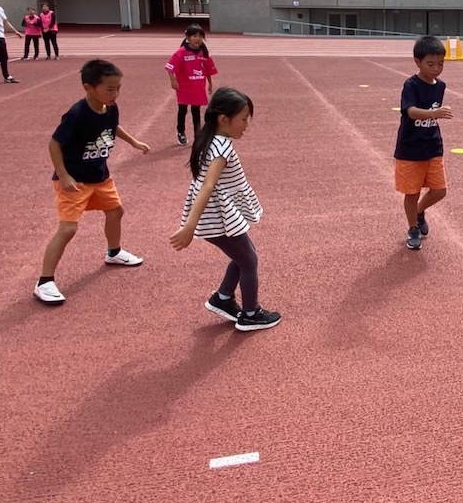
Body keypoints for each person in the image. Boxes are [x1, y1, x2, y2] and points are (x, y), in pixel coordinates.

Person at [34, 59, 151, 304]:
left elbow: (113, 126)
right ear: (88, 87)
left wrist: (133, 142)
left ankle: (114, 252)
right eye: (110, 89)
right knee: (68, 229)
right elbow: (54, 144)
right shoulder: (77, 114)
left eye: (118, 88)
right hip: (75, 181)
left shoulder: (111, 107)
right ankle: (44, 282)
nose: (115, 93)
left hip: (100, 175)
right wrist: (64, 175)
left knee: (116, 211)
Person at [169, 87, 281, 332]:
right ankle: (251, 314)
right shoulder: (221, 147)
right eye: (243, 119)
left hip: (219, 214)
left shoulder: (210, 139)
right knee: (249, 260)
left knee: (243, 256)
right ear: (224, 119)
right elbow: (208, 186)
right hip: (217, 216)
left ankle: (223, 298)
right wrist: (189, 226)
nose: (246, 126)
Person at [394, 35, 453, 250]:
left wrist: (434, 114)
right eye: (431, 64)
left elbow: (430, 115)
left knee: (440, 190)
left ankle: (419, 211)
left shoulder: (441, 85)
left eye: (441, 64)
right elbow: (411, 112)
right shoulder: (411, 85)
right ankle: (412, 228)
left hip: (433, 146)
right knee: (412, 192)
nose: (436, 68)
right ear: (417, 62)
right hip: (410, 148)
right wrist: (434, 112)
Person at [165, 24, 217, 146]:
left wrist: (210, 84)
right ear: (188, 37)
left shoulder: (204, 53)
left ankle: (197, 133)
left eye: (200, 36)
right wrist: (173, 81)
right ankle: (181, 131)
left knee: (196, 110)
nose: (197, 38)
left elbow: (208, 70)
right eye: (194, 36)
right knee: (182, 110)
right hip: (183, 87)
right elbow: (170, 67)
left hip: (198, 87)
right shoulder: (181, 52)